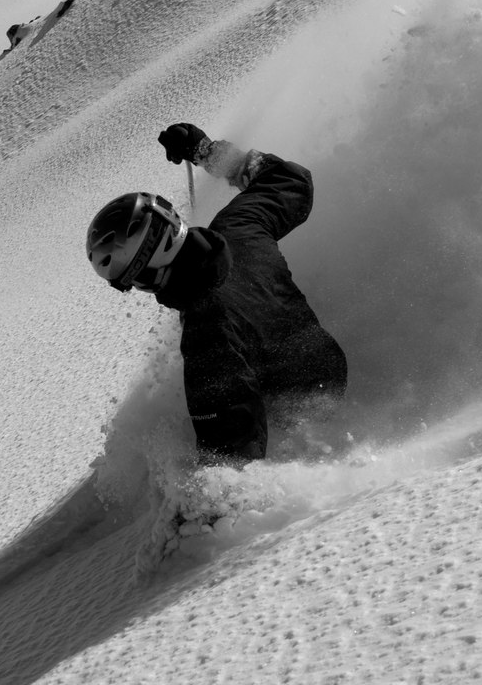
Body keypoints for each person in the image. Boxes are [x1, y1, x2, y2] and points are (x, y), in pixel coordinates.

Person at [86, 123, 347, 462]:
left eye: (132, 281)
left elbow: (231, 454)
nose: (138, 289)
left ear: (147, 273)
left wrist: (203, 509)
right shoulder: (239, 226)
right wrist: (207, 152)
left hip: (304, 423)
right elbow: (288, 178)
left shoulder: (206, 333)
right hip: (329, 368)